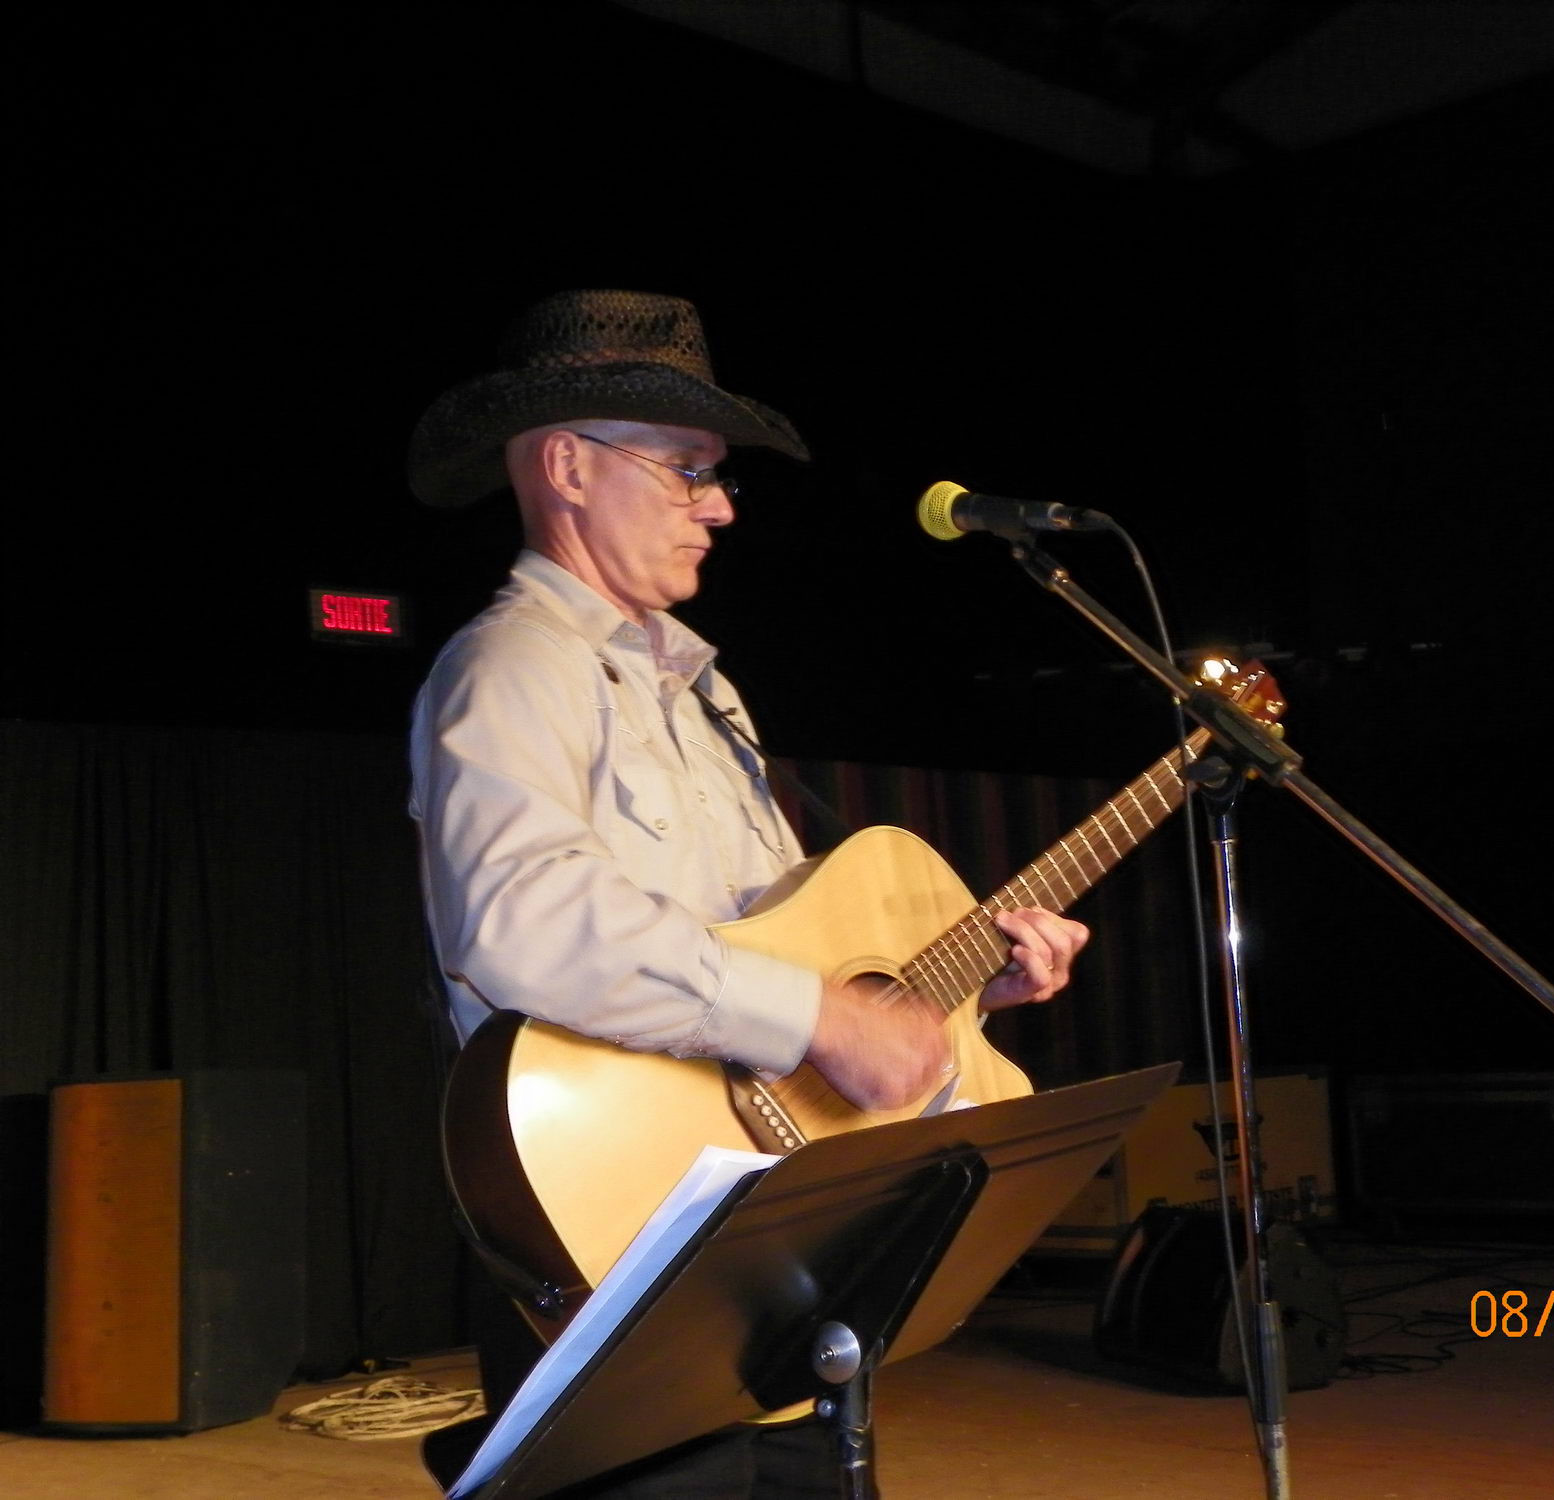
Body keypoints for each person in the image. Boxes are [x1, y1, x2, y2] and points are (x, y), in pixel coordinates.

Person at [406, 288, 1088, 1497]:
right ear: (566, 465)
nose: (719, 505)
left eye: (716, 476)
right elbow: (521, 921)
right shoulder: (511, 666)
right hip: (615, 1231)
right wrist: (821, 1018)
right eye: (687, 470)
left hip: (764, 1236)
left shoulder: (708, 698)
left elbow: (782, 946)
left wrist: (945, 993)